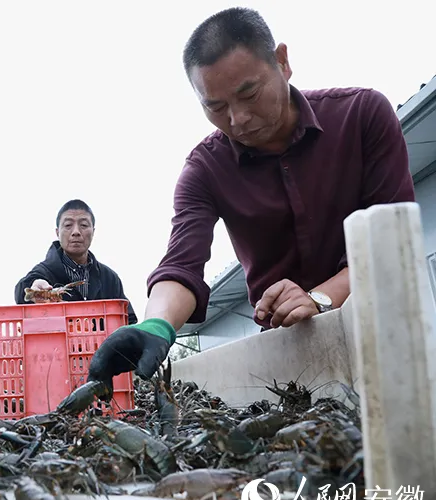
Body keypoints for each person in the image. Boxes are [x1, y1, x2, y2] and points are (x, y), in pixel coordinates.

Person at [85, 7, 416, 392]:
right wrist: (155, 326)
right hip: (286, 361)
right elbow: (182, 263)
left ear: (282, 62)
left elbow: (390, 245)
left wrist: (320, 299)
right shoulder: (204, 170)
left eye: (249, 94)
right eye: (216, 107)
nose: (238, 119)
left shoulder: (362, 115)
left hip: (387, 331)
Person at [14, 199, 138, 324]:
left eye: (83, 225)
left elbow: (129, 319)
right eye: (68, 225)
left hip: (103, 343)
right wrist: (35, 288)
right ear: (57, 232)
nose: (76, 232)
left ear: (93, 231)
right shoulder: (45, 271)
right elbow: (22, 291)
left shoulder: (109, 278)